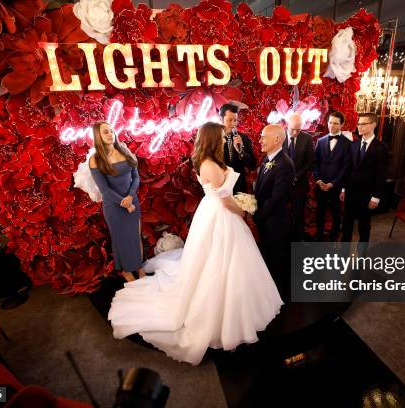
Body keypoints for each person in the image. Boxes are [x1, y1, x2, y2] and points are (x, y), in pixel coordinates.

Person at [108, 122, 282, 365]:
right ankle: (222, 314)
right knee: (221, 262)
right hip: (221, 215)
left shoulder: (205, 160)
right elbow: (225, 201)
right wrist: (244, 211)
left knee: (222, 262)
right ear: (212, 139)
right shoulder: (210, 164)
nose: (225, 140)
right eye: (221, 137)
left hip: (210, 213)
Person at [90, 122, 143, 283]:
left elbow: (136, 177)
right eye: (105, 132)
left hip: (132, 200)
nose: (110, 134)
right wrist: (124, 202)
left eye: (111, 131)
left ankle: (139, 267)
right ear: (98, 136)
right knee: (120, 238)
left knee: (136, 235)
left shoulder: (124, 151)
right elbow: (104, 190)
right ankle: (127, 270)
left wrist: (130, 196)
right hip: (114, 206)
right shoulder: (95, 160)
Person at [255, 124, 295, 296]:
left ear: (277, 139)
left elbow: (275, 198)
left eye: (264, 137)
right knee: (269, 258)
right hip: (266, 219)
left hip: (275, 222)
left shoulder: (285, 164)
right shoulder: (267, 159)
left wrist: (257, 215)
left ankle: (281, 297)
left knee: (278, 261)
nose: (260, 140)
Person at [341, 112, 388, 248]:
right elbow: (348, 169)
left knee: (364, 226)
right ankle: (343, 254)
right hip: (350, 192)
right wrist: (344, 188)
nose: (359, 127)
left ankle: (362, 255)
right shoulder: (353, 145)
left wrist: (376, 197)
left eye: (363, 124)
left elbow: (381, 175)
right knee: (347, 224)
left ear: (373, 124)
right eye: (358, 123)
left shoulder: (381, 148)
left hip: (367, 194)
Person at [313, 111, 352, 241]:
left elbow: (345, 168)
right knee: (320, 213)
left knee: (336, 214)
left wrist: (334, 183)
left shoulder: (348, 144)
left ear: (341, 125)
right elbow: (315, 163)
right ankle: (319, 236)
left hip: (337, 186)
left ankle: (334, 238)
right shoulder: (320, 141)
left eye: (335, 123)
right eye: (330, 122)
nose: (331, 126)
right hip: (321, 185)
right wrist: (318, 180)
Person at [282, 113, 314, 241]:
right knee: (282, 214)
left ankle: (300, 240)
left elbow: (310, 162)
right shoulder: (279, 136)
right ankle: (284, 239)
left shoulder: (307, 138)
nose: (295, 132)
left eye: (298, 129)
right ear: (286, 125)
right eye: (292, 129)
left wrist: (297, 176)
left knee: (298, 214)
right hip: (282, 184)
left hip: (299, 184)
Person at [220, 103, 257, 194]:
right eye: (230, 120)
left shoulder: (243, 138)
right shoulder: (214, 138)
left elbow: (252, 165)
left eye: (235, 120)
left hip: (239, 187)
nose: (233, 124)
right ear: (221, 119)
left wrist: (241, 152)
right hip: (220, 186)